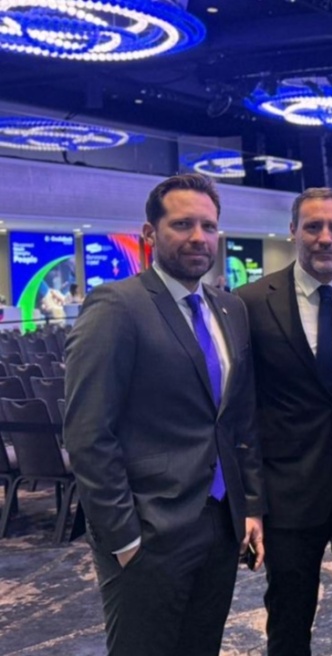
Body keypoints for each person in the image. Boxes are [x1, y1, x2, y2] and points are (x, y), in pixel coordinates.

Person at [63, 173, 265, 656]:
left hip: (220, 524)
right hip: (148, 530)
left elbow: (238, 419)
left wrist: (251, 505)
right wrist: (122, 537)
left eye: (208, 226)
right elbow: (89, 432)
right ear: (150, 233)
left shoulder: (229, 309)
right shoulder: (117, 306)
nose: (198, 237)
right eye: (182, 224)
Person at [236, 188, 332, 656]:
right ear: (293, 231)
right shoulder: (249, 303)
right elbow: (242, 408)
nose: (325, 238)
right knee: (288, 616)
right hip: (287, 487)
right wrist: (251, 497)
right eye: (313, 227)